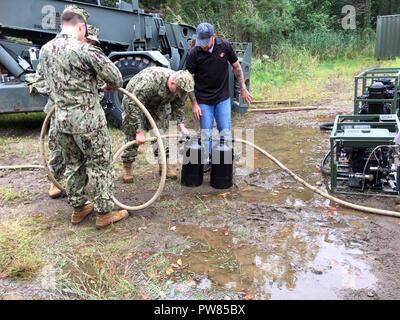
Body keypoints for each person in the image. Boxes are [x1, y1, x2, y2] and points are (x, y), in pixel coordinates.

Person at [38, 5, 128, 229]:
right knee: (100, 164)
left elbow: (44, 83)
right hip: (88, 121)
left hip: (62, 120)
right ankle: (104, 214)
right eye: (85, 30)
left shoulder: (45, 51)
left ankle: (78, 209)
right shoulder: (84, 50)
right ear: (81, 27)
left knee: (73, 164)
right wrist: (107, 85)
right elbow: (116, 78)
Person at [26, 21, 103, 200]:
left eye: (93, 42)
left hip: (87, 112)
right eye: (88, 40)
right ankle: (55, 181)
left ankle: (83, 186)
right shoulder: (54, 53)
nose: (90, 44)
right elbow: (40, 79)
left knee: (91, 149)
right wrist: (58, 94)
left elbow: (99, 80)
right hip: (60, 109)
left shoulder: (89, 55)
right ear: (80, 34)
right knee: (58, 146)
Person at [186, 22, 253, 169]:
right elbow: (187, 79)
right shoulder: (194, 53)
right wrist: (194, 103)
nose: (203, 45)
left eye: (206, 41)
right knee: (206, 132)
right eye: (200, 41)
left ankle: (226, 159)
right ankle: (208, 161)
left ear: (213, 37)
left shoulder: (225, 46)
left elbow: (236, 67)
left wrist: (242, 88)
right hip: (203, 99)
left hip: (222, 97)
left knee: (225, 130)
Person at [120, 66, 194, 183]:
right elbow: (132, 104)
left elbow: (178, 106)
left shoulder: (181, 87)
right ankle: (127, 167)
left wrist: (181, 126)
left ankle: (164, 166)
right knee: (132, 135)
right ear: (172, 82)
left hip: (157, 105)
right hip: (133, 103)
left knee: (159, 134)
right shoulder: (150, 81)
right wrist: (138, 131)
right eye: (178, 91)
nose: (180, 94)